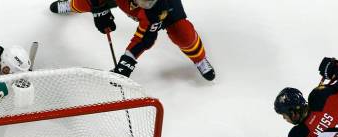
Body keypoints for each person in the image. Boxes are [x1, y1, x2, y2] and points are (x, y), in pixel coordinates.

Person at [49, 0, 215, 80]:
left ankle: (200, 59)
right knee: (85, 2)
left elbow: (146, 37)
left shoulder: (156, 7)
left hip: (161, 7)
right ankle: (71, 5)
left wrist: (127, 61)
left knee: (183, 34)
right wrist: (99, 11)